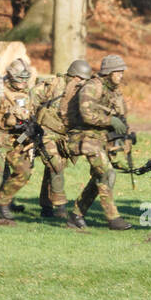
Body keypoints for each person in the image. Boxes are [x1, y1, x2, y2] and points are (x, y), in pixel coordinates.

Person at [69, 54, 133, 231]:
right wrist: (110, 121)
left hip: (101, 139)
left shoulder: (113, 90)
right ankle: (113, 219)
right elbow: (86, 114)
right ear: (109, 72)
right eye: (118, 72)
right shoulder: (92, 87)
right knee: (106, 173)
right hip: (84, 137)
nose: (121, 75)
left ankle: (76, 215)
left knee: (100, 176)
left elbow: (120, 114)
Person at [31, 59, 93, 222]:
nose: (82, 83)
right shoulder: (53, 84)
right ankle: (60, 207)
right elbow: (32, 97)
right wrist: (32, 121)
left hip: (64, 136)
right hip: (46, 132)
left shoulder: (82, 93)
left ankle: (46, 206)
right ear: (73, 76)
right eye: (80, 79)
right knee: (55, 164)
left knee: (52, 169)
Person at [0, 59, 36, 226]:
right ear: (11, 77)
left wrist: (30, 137)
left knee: (24, 171)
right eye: (20, 78)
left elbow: (29, 115)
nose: (23, 82)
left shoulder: (27, 92)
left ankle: (2, 201)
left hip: (16, 138)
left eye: (26, 78)